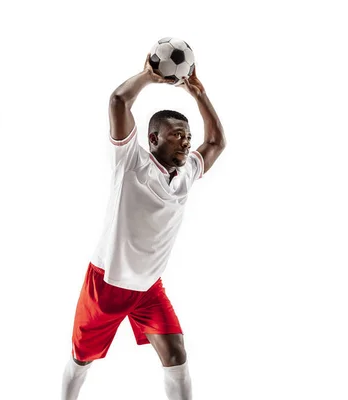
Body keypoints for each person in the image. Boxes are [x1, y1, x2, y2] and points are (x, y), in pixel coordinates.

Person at [61, 54, 226, 400]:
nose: (185, 141)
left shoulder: (186, 176)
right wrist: (148, 76)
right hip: (107, 284)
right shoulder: (131, 162)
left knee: (176, 353)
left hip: (149, 288)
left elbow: (215, 143)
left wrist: (199, 92)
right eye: (177, 135)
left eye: (187, 136)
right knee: (82, 356)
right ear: (153, 139)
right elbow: (119, 101)